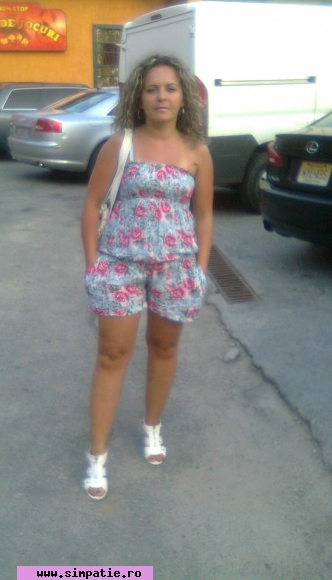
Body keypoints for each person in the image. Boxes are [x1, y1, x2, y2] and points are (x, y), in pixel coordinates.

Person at [80, 54, 213, 499]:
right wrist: (93, 266)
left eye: (170, 88)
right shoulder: (121, 144)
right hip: (120, 264)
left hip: (176, 266)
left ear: (183, 98)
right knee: (112, 354)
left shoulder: (197, 151)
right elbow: (91, 205)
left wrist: (200, 269)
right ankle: (97, 456)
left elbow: (204, 214)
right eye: (152, 88)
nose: (161, 96)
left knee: (164, 347)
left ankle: (152, 425)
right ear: (139, 97)